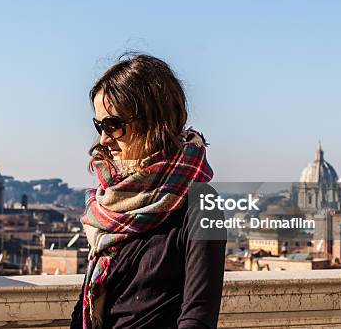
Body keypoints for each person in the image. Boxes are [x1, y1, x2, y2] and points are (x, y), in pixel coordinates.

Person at [70, 53, 226, 329]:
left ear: (153, 121)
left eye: (113, 125)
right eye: (99, 125)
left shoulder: (203, 204)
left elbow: (198, 317)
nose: (104, 139)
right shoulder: (110, 204)